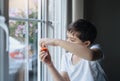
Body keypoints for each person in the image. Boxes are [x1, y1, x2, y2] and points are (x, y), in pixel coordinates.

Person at [39, 19, 108, 81]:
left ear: (86, 43)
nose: (67, 42)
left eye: (72, 40)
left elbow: (90, 56)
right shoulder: (66, 57)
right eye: (67, 38)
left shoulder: (95, 50)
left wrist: (56, 42)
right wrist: (50, 64)